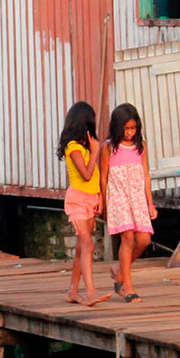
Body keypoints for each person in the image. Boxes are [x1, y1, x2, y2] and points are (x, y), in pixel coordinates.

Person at [102, 103, 156, 303]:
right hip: (118, 197)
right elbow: (103, 178)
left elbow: (146, 175)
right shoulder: (109, 147)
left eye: (133, 128)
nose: (130, 133)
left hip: (137, 198)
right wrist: (104, 203)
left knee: (144, 240)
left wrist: (150, 204)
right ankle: (128, 287)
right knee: (128, 239)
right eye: (126, 129)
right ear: (117, 127)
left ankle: (119, 270)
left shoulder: (141, 147)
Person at [58, 101, 111, 307]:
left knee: (82, 247)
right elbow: (87, 174)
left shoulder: (87, 147)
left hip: (90, 198)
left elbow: (95, 176)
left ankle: (73, 290)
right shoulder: (73, 147)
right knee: (88, 243)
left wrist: (99, 197)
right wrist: (96, 150)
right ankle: (91, 291)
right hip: (78, 200)